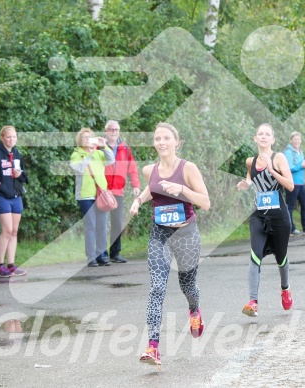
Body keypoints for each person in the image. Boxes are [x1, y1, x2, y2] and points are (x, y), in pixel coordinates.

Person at [129, 122, 210, 366]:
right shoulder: (148, 170)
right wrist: (138, 201)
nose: (161, 142)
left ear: (176, 141)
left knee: (187, 285)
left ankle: (194, 310)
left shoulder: (188, 168)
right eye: (157, 139)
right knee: (156, 288)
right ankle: (153, 346)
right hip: (159, 234)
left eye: (166, 138)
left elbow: (206, 202)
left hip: (186, 234)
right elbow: (152, 189)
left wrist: (183, 190)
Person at [236, 123, 295, 318]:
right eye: (260, 134)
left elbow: (290, 185)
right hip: (258, 215)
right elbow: (251, 179)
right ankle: (253, 301)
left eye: (267, 134)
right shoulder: (249, 161)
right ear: (255, 138)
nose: (263, 136)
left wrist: (272, 169)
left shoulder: (279, 157)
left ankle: (285, 289)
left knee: (281, 257)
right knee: (255, 254)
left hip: (279, 215)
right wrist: (246, 184)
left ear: (273, 139)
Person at [0, 126, 28, 277]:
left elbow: (24, 176)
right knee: (7, 230)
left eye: (14, 137)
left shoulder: (16, 153)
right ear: (2, 137)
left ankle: (11, 264)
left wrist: (19, 174)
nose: (11, 140)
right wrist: (2, 188)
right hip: (1, 196)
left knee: (15, 231)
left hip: (16, 196)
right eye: (8, 137)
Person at [70, 128, 115, 267]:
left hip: (101, 194)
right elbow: (79, 169)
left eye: (90, 137)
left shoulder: (99, 153)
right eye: (85, 138)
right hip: (85, 196)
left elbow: (111, 160)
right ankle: (91, 257)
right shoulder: (76, 154)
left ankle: (101, 254)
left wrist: (104, 146)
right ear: (80, 141)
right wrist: (88, 154)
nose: (88, 140)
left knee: (102, 227)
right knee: (91, 226)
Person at [103, 120, 141, 263]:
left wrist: (135, 184)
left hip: (118, 191)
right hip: (103, 191)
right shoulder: (100, 146)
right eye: (111, 129)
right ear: (106, 131)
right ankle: (100, 254)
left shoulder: (124, 147)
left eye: (116, 129)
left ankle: (115, 253)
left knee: (117, 223)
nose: (113, 132)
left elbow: (132, 167)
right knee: (101, 224)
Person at [283, 131, 305, 236]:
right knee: (290, 206)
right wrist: (301, 166)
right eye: (295, 139)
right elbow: (289, 168)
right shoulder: (288, 152)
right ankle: (290, 229)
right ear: (291, 140)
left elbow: (301, 165)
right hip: (292, 182)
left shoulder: (300, 151)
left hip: (300, 183)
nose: (297, 141)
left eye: (298, 139)